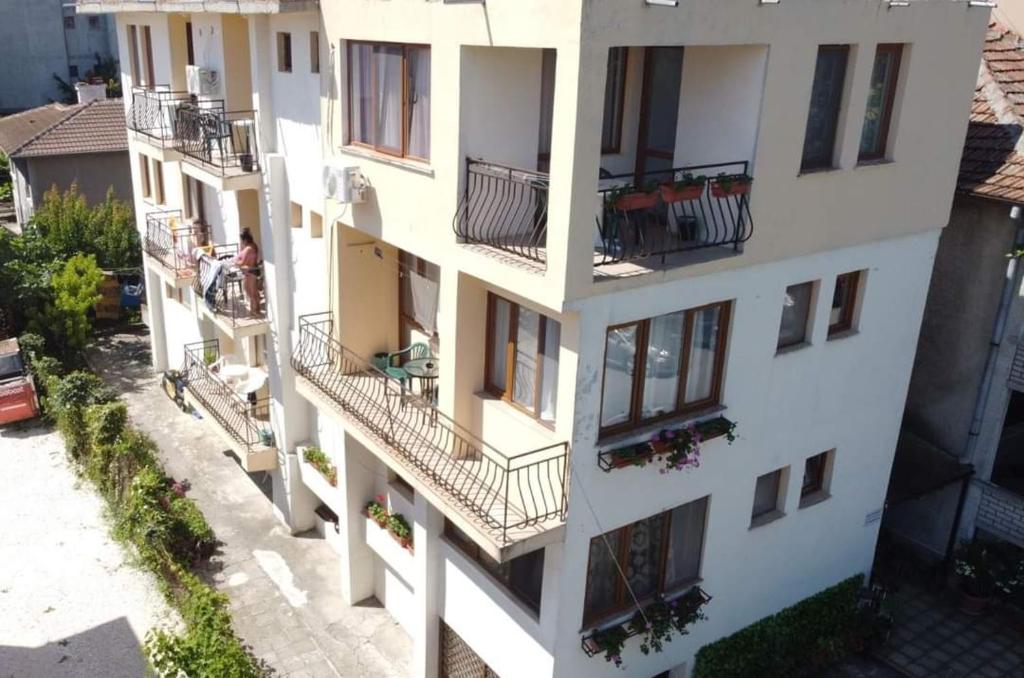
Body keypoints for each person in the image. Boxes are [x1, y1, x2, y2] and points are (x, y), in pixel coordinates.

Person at [234, 228, 261, 316]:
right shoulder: (254, 245)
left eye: (241, 239)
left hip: (250, 272)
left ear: (244, 239)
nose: (241, 242)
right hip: (253, 271)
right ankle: (256, 309)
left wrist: (235, 262)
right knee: (254, 292)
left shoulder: (248, 248)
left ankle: (255, 311)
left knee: (250, 292)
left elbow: (242, 262)